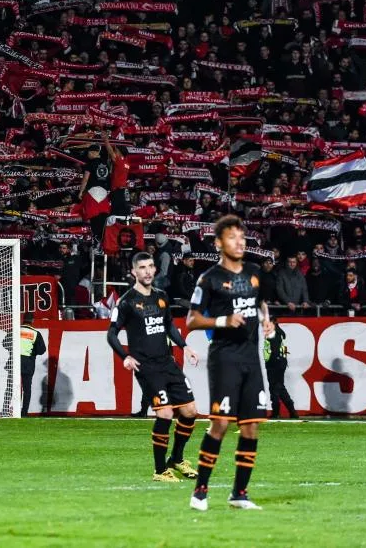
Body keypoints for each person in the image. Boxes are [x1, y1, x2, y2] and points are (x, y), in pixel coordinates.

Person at [187, 214, 275, 511]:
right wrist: (223, 320)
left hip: (251, 358)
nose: (239, 242)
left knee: (251, 427)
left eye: (242, 237)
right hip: (224, 358)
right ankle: (200, 491)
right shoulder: (209, 278)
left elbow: (261, 302)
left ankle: (239, 494)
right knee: (221, 424)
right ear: (218, 243)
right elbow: (191, 320)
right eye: (232, 237)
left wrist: (266, 320)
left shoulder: (254, 272)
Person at [108, 251, 200, 482]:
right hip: (146, 366)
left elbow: (169, 325)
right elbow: (111, 334)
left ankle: (176, 459)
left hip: (168, 362)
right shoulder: (126, 301)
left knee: (190, 411)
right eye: (142, 267)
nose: (147, 271)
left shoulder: (161, 296)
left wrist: (185, 346)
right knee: (165, 413)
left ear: (155, 269)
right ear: (133, 272)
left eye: (150, 266)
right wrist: (125, 357)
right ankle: (160, 470)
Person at [264, 317, 296, 419]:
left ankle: (276, 412)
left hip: (274, 363)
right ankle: (292, 411)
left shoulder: (273, 333)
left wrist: (272, 362)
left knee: (274, 388)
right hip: (279, 362)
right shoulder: (279, 332)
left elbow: (274, 350)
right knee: (279, 387)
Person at [18, 313, 46, 416]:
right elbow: (42, 350)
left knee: (13, 387)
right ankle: (24, 412)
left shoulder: (16, 330)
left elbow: (5, 343)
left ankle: (10, 409)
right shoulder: (35, 333)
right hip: (28, 362)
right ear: (32, 320)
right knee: (27, 389)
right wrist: (32, 351)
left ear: (23, 319)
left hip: (15, 361)